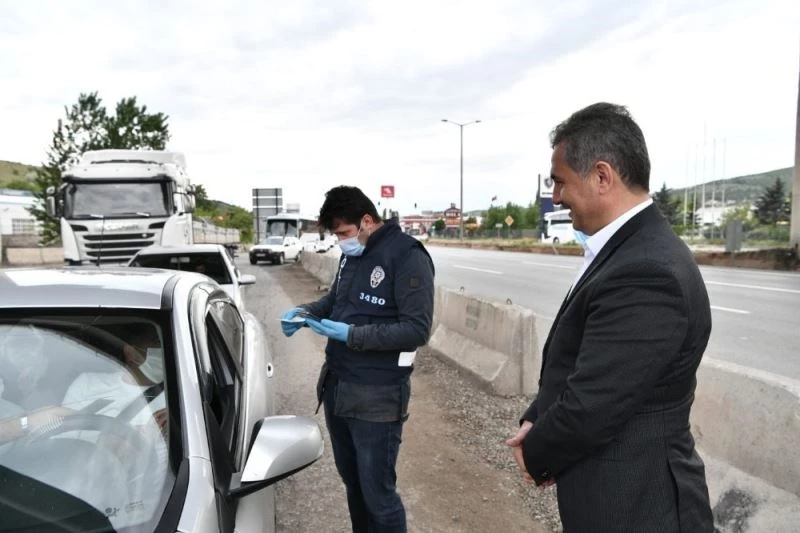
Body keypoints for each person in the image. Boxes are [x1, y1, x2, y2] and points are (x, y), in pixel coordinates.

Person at [506, 103, 714, 532]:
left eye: (560, 182)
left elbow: (593, 404)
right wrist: (538, 415)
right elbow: (584, 358)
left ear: (602, 177)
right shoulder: (625, 250)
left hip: (639, 507)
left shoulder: (647, 271)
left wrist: (536, 452)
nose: (556, 197)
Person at [280, 185, 435, 533]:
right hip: (337, 385)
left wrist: (353, 335)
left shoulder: (407, 256)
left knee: (379, 497)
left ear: (367, 220)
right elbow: (334, 302)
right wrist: (305, 312)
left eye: (344, 233)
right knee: (353, 485)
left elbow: (416, 330)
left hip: (377, 396)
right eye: (336, 236)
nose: (341, 242)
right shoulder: (352, 255)